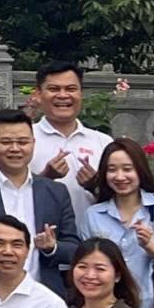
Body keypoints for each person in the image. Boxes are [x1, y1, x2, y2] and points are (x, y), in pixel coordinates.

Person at [0, 110, 78, 300]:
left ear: (33, 143)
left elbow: (74, 248)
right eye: (6, 142)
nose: (15, 148)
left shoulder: (56, 192)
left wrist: (51, 247)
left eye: (23, 142)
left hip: (44, 296)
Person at [83, 139, 154, 303]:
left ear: (140, 170)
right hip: (107, 305)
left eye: (127, 169)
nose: (120, 176)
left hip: (152, 304)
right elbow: (86, 264)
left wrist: (150, 247)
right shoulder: (93, 214)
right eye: (112, 170)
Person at [31, 58, 112, 229]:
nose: (63, 95)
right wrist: (45, 178)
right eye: (54, 89)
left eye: (71, 89)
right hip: (39, 236)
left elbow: (121, 200)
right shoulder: (24, 139)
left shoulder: (102, 142)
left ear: (81, 93)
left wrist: (94, 186)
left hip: (93, 238)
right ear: (38, 94)